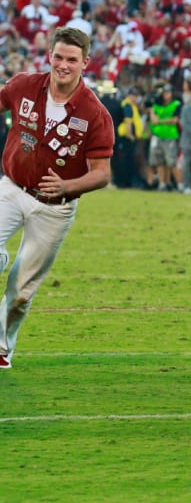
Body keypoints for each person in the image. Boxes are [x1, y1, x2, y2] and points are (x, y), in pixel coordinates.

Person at [0, 27, 115, 370]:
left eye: (72, 59)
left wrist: (69, 187)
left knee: (21, 292)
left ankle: (2, 348)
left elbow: (102, 173)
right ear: (49, 55)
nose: (63, 65)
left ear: (86, 63)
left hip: (54, 209)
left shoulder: (95, 113)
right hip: (11, 188)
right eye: (59, 57)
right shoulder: (23, 85)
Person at [147, 85, 181, 190]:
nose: (166, 95)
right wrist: (156, 116)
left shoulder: (176, 104)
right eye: (164, 93)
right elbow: (153, 119)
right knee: (159, 161)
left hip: (170, 136)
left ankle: (180, 184)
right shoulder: (156, 105)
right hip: (157, 136)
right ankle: (162, 183)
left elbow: (175, 120)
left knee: (171, 161)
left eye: (168, 93)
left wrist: (160, 121)